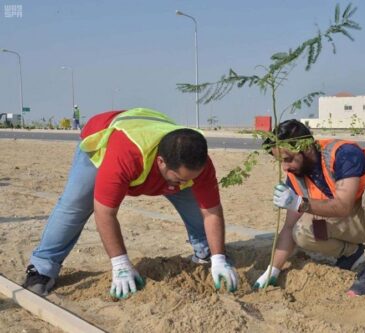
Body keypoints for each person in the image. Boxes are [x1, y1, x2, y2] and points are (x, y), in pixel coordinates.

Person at [23, 107, 238, 298]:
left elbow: (211, 212)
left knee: (195, 208)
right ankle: (43, 267)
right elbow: (105, 213)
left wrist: (219, 258)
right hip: (104, 144)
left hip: (157, 148)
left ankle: (207, 253)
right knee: (75, 205)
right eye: (182, 178)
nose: (189, 182)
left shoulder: (197, 165)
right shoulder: (124, 156)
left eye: (193, 177)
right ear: (161, 163)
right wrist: (121, 265)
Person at [254, 120, 365, 296]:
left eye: (288, 159)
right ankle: (353, 254)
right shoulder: (295, 176)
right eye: (280, 161)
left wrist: (299, 203)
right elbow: (289, 228)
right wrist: (272, 270)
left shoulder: (343, 154)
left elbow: (342, 206)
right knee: (301, 230)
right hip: (355, 222)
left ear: (306, 148)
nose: (285, 167)